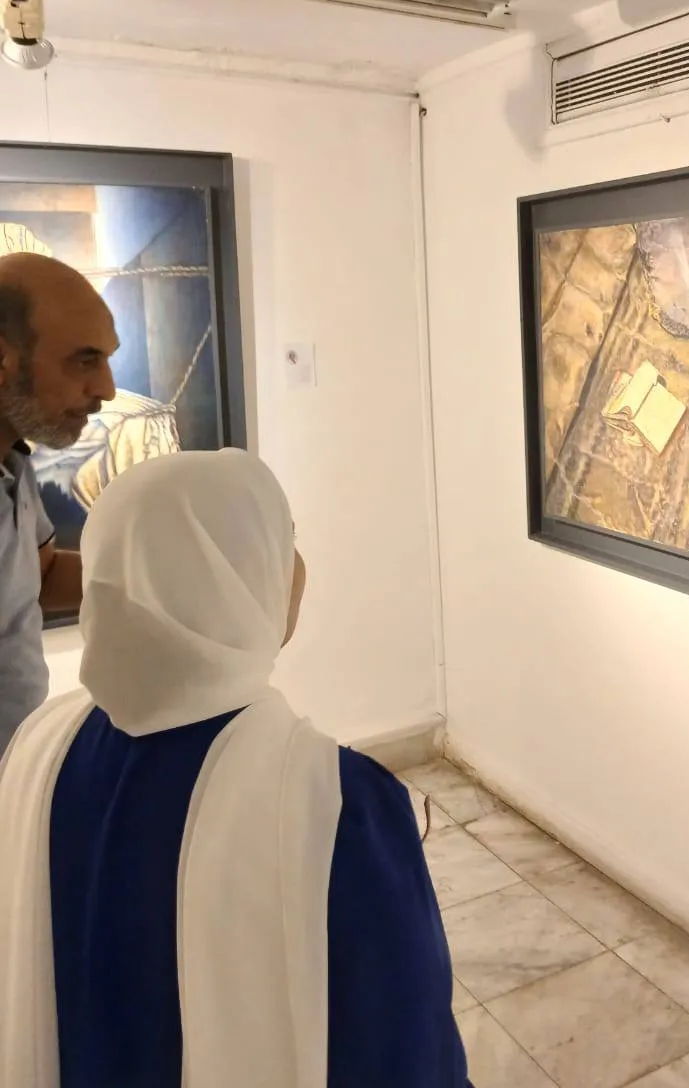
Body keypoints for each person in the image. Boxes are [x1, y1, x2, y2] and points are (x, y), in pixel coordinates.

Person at [0, 448, 471, 1088]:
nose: (297, 567)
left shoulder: (39, 747)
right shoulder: (332, 804)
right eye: (286, 541)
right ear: (233, 574)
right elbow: (407, 1051)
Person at [0, 251, 118, 753]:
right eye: (84, 360)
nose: (107, 389)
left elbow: (41, 574)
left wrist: (165, 575)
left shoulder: (14, 464)